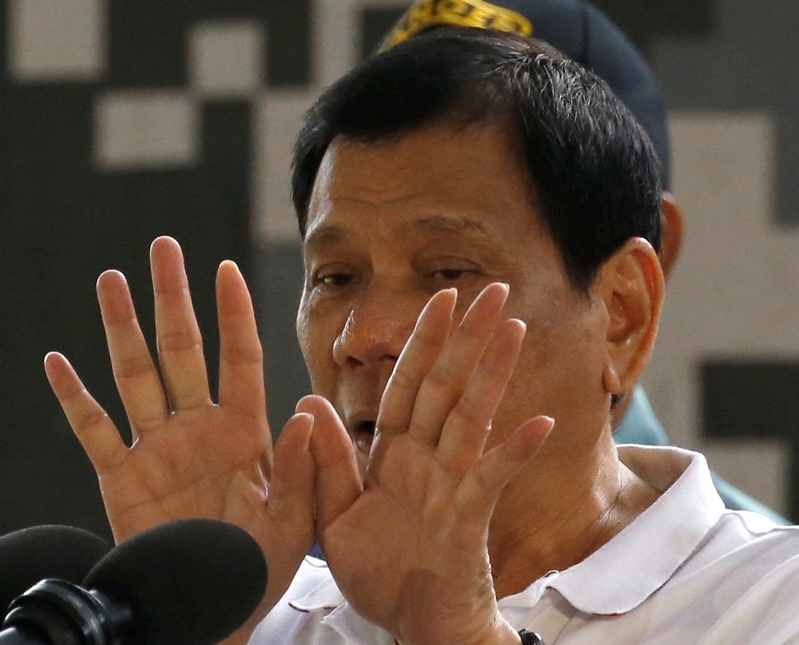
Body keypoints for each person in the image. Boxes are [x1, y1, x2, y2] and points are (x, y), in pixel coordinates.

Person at [44, 29, 799, 643]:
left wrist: (460, 634)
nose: (362, 336)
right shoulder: (265, 619)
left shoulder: (765, 600)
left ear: (620, 311)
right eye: (335, 277)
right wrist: (197, 619)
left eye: (446, 272)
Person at [380, 0, 787, 523]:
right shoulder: (275, 575)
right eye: (340, 273)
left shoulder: (758, 591)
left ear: (630, 289)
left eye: (451, 270)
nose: (373, 334)